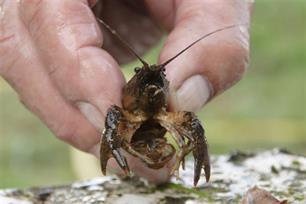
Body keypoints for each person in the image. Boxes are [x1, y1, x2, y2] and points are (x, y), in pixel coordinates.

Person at [0, 0, 252, 184]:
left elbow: (191, 126)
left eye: (159, 79)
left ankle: (189, 170)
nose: (153, 84)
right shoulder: (121, 114)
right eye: (144, 79)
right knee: (108, 115)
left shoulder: (173, 113)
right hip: (131, 125)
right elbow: (113, 120)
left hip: (161, 127)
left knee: (194, 126)